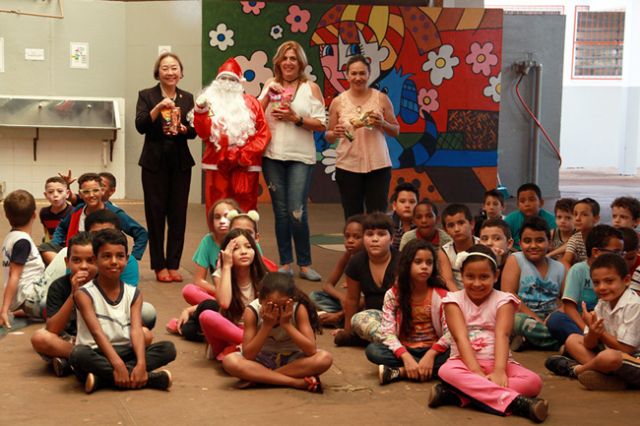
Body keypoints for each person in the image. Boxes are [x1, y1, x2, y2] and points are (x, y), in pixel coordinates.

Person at [429, 245, 547, 423]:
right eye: (470, 277)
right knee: (446, 371)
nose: (477, 283)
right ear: (461, 275)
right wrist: (475, 371)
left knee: (534, 382)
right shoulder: (453, 301)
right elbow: (461, 338)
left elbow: (502, 335)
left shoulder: (504, 300)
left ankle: (459, 395)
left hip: (500, 363)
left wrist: (499, 371)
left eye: (484, 277)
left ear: (496, 276)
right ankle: (518, 404)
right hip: (464, 364)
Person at [31, 232, 155, 377]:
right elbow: (52, 329)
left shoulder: (106, 283)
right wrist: (73, 295)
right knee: (39, 338)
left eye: (90, 260)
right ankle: (93, 361)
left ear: (97, 260)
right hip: (72, 342)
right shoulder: (59, 286)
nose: (84, 267)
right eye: (76, 260)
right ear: (67, 262)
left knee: (146, 335)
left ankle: (80, 364)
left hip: (108, 339)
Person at [69, 229, 176, 393]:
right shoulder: (84, 294)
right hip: (97, 352)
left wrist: (140, 363)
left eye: (120, 256)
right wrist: (117, 365)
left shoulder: (133, 294)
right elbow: (97, 333)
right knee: (78, 354)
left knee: (168, 349)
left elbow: (136, 331)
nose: (114, 261)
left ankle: (102, 379)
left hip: (126, 351)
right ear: (95, 260)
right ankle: (150, 379)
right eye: (106, 256)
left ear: (127, 259)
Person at [258, 41, 327, 281]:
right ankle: (285, 262)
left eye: (294, 58)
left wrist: (295, 118)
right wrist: (268, 95)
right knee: (281, 212)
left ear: (301, 63)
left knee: (297, 211)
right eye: (285, 58)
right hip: (272, 156)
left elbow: (321, 124)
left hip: (301, 157)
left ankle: (305, 264)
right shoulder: (270, 84)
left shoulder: (311, 88)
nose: (289, 62)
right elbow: (256, 112)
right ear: (278, 62)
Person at [136, 52, 196, 283]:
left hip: (181, 163)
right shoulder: (147, 95)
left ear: (180, 73)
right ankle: (159, 266)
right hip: (153, 163)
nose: (170, 72)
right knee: (156, 215)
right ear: (157, 72)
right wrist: (158, 107)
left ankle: (173, 264)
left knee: (178, 215)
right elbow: (140, 125)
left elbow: (194, 130)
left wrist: (183, 129)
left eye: (174, 68)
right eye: (165, 68)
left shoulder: (187, 97)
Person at [221, 272, 333, 392]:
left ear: (292, 300)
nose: (277, 311)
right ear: (260, 299)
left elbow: (311, 350)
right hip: (261, 360)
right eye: (271, 306)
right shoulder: (252, 311)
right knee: (230, 361)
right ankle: (294, 382)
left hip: (294, 361)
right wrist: (267, 325)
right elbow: (248, 355)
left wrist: (287, 324)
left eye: (283, 306)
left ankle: (261, 378)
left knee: (324, 358)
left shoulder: (298, 309)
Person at [545, 253, 640, 391]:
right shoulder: (602, 304)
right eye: (596, 282)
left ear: (626, 280)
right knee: (572, 340)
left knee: (608, 357)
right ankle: (612, 379)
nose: (602, 287)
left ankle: (576, 370)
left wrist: (600, 334)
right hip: (614, 355)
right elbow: (588, 343)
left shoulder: (634, 305)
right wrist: (593, 331)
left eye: (609, 281)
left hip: (633, 359)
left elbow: (626, 349)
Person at [326, 54, 400, 220]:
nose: (358, 78)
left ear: (369, 74)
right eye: (354, 73)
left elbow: (396, 130)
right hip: (347, 166)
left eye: (362, 73)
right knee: (353, 217)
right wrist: (334, 133)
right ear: (347, 75)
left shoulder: (381, 99)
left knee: (378, 217)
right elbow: (329, 135)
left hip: (378, 166)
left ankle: (378, 246)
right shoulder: (338, 102)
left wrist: (383, 123)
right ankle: (357, 247)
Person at [192, 57, 271, 214]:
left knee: (245, 211)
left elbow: (264, 134)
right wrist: (201, 112)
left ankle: (245, 239)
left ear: (239, 82)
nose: (227, 82)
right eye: (223, 78)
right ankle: (218, 239)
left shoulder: (252, 103)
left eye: (232, 79)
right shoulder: (209, 103)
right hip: (216, 165)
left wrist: (243, 155)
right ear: (217, 81)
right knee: (217, 210)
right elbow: (204, 133)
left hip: (245, 167)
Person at [366, 240, 450, 385]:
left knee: (461, 350)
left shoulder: (442, 295)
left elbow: (451, 333)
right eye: (418, 262)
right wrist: (405, 356)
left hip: (434, 350)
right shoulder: (393, 295)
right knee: (373, 351)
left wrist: (431, 354)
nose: (424, 267)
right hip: (406, 349)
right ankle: (424, 369)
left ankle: (402, 372)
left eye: (429, 263)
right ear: (407, 264)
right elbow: (388, 333)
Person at [40, 173, 148, 267]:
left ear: (102, 191)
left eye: (95, 190)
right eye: (86, 192)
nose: (91, 195)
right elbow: (62, 227)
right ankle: (67, 269)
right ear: (80, 194)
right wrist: (56, 243)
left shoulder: (114, 213)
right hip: (79, 256)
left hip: (104, 260)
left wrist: (133, 258)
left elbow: (141, 233)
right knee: (44, 248)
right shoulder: (78, 211)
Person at [546, 225, 623, 344]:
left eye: (622, 253)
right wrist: (587, 331)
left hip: (607, 325)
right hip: (581, 323)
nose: (620, 258)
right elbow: (569, 307)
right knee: (556, 320)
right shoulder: (579, 270)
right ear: (596, 252)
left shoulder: (618, 273)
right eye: (616, 253)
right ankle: (585, 344)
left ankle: (575, 347)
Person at [198, 229, 268, 360]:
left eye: (248, 247)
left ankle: (243, 350)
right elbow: (224, 303)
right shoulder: (221, 273)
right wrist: (226, 266)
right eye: (236, 249)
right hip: (230, 333)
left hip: (256, 332)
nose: (243, 252)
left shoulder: (264, 276)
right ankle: (246, 349)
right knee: (206, 315)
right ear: (227, 254)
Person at [334, 213, 400, 347]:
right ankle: (390, 343)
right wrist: (348, 332)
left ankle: (394, 343)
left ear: (391, 239)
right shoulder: (356, 262)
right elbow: (352, 299)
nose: (375, 239)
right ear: (364, 238)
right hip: (373, 318)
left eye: (381, 234)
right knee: (358, 320)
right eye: (370, 234)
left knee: (373, 348)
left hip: (398, 317)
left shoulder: (402, 262)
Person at [501, 217, 564, 351]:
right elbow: (508, 296)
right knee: (515, 320)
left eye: (540, 240)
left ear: (550, 243)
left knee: (573, 317)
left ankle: (529, 339)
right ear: (520, 243)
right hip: (523, 315)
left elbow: (567, 302)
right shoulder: (516, 260)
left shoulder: (560, 267)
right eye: (527, 241)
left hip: (551, 319)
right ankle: (563, 344)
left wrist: (554, 317)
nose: (533, 246)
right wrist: (534, 318)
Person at [44, 209, 141, 288]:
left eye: (108, 232)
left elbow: (127, 298)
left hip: (113, 307)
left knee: (146, 311)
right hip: (77, 303)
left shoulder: (126, 261)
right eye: (95, 234)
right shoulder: (77, 255)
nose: (102, 238)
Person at [1, 190, 46, 329]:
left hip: (25, 302)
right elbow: (14, 275)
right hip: (32, 299)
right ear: (34, 214)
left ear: (7, 216)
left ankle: (25, 310)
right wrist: (4, 309)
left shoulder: (11, 237)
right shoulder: (22, 242)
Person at [310, 214, 365, 327]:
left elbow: (364, 300)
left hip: (364, 303)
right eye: (347, 236)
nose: (350, 240)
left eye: (356, 237)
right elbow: (327, 285)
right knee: (315, 296)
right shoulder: (348, 255)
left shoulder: (368, 259)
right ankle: (343, 317)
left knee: (361, 307)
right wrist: (342, 297)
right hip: (349, 302)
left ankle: (341, 318)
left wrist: (338, 315)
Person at [180, 199, 239, 303]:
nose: (222, 221)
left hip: (243, 296)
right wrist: (220, 293)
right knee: (189, 290)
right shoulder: (208, 240)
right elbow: (198, 280)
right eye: (217, 217)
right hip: (220, 295)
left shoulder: (246, 240)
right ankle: (217, 306)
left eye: (227, 216)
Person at [438, 204, 479, 291]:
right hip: (457, 294)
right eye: (451, 225)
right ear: (445, 230)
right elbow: (448, 280)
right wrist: (460, 300)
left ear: (472, 224)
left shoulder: (483, 245)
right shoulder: (444, 252)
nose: (456, 229)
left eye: (461, 223)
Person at [504, 183, 556, 250]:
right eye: (522, 201)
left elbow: (554, 243)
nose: (527, 204)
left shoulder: (551, 220)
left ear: (541, 203)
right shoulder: (510, 220)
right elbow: (504, 242)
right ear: (518, 204)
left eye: (531, 200)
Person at [561, 198, 601, 271]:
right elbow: (565, 260)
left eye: (584, 214)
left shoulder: (602, 236)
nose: (577, 218)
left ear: (596, 219)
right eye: (575, 214)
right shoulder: (575, 239)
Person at [478, 218, 514, 289]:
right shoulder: (476, 262)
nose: (489, 243)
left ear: (509, 244)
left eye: (497, 239)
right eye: (484, 239)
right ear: (479, 243)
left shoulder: (516, 263)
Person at [39, 176, 72, 243]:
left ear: (67, 194)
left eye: (60, 191)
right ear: (46, 195)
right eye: (51, 192)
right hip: (53, 246)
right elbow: (47, 235)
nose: (55, 195)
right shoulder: (44, 213)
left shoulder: (73, 212)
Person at [388, 182, 419, 250]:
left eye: (412, 202)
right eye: (402, 201)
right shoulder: (386, 221)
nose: (407, 205)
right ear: (394, 205)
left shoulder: (422, 222)